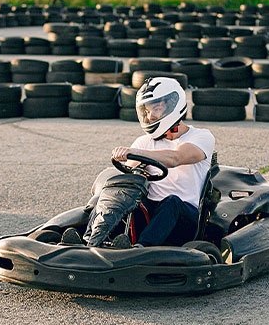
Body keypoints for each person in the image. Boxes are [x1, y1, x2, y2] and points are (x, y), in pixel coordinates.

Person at [62, 76, 215, 248]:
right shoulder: (145, 141)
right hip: (150, 212)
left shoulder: (201, 137)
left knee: (172, 202)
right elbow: (125, 176)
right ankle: (89, 240)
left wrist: (134, 152)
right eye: (147, 111)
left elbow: (175, 158)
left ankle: (140, 248)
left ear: (173, 104)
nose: (150, 117)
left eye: (155, 109)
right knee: (115, 192)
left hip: (184, 219)